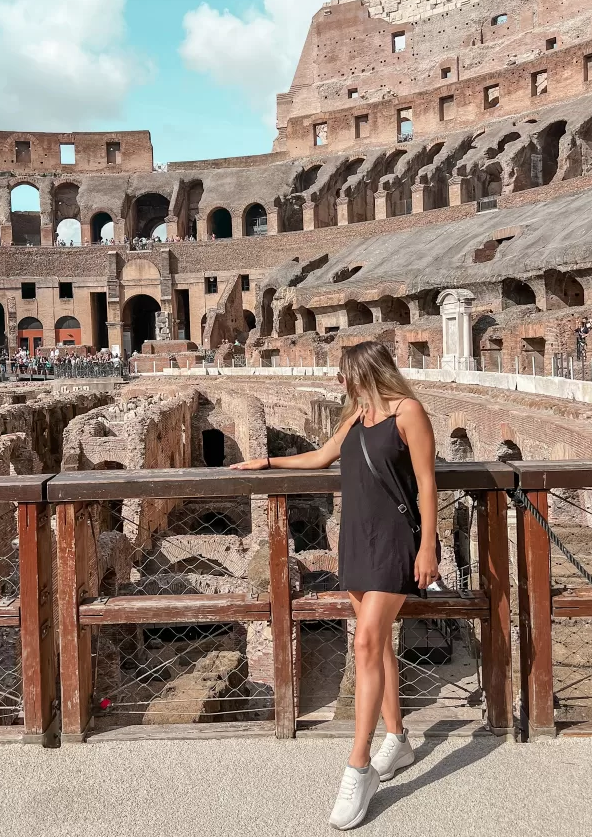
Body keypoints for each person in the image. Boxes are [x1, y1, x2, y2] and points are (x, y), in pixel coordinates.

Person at [230, 341, 439, 830]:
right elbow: (321, 458)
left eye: (342, 374)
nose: (337, 382)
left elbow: (427, 483)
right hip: (357, 541)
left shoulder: (409, 412)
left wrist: (428, 546)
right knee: (377, 643)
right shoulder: (356, 417)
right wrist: (267, 464)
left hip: (392, 541)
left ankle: (358, 765)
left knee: (365, 642)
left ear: (364, 371)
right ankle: (398, 739)